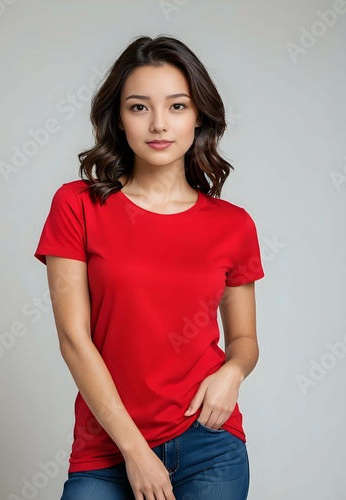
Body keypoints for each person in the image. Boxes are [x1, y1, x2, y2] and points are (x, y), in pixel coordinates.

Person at [34, 34, 265, 500]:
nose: (159, 124)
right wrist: (136, 453)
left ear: (198, 114)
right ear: (118, 118)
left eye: (177, 106)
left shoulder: (233, 224)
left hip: (209, 445)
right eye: (139, 107)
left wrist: (233, 373)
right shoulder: (77, 206)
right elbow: (74, 340)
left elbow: (244, 341)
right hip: (107, 451)